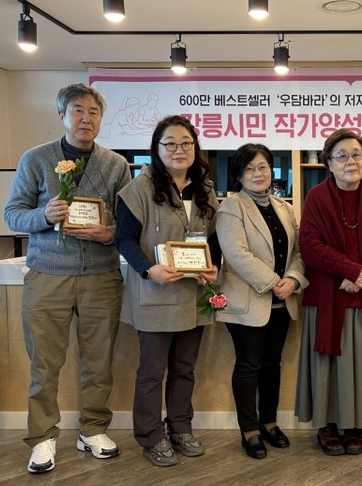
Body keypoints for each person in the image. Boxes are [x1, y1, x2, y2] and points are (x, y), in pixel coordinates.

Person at [4, 83, 131, 474]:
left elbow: (127, 223)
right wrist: (45, 215)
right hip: (48, 275)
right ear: (62, 115)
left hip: (101, 275)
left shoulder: (116, 164)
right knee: (44, 363)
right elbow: (12, 214)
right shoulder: (36, 158)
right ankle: (42, 437)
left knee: (99, 361)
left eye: (93, 112)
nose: (86, 118)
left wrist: (108, 233)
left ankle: (92, 429)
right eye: (77, 110)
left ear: (101, 118)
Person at [114, 115, 220, 467]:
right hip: (155, 294)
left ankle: (180, 428)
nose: (179, 150)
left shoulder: (204, 188)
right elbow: (123, 239)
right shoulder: (139, 189)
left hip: (193, 295)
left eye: (186, 143)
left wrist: (212, 265)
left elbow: (212, 239)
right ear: (156, 149)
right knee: (151, 372)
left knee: (185, 369)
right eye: (170, 143)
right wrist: (148, 269)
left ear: (195, 147)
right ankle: (150, 435)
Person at [295, 128, 362, 456]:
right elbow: (310, 246)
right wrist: (352, 270)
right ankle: (327, 426)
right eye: (341, 156)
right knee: (329, 364)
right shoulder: (316, 197)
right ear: (328, 163)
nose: (350, 161)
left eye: (357, 154)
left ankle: (355, 425)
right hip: (328, 296)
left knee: (358, 364)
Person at [216, 143, 308, 460]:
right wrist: (273, 283)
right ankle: (249, 430)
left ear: (271, 170)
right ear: (239, 175)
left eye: (263, 166)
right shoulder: (231, 207)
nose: (258, 173)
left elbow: (299, 251)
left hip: (282, 302)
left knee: (272, 365)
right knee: (248, 365)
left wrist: (293, 279)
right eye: (250, 168)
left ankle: (269, 423)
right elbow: (236, 254)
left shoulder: (285, 206)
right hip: (248, 302)